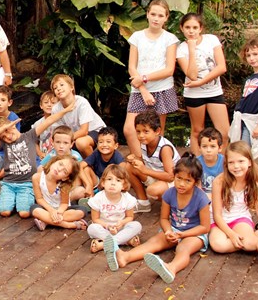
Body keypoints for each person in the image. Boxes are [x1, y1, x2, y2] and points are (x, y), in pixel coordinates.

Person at [104, 154, 210, 284]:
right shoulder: (169, 194)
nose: (182, 184)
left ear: (196, 182)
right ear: (174, 176)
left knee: (183, 249)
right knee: (153, 242)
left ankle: (171, 268)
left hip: (194, 234)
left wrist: (183, 234)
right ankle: (125, 257)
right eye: (179, 178)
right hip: (174, 230)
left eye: (188, 181)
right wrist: (168, 231)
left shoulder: (201, 198)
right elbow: (164, 218)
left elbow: (205, 227)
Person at [0, 100, 75, 218]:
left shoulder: (29, 136)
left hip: (27, 183)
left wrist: (65, 110)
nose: (7, 136)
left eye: (7, 131)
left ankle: (19, 201)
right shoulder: (4, 144)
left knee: (24, 213)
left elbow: (49, 121)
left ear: (13, 126)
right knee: (4, 212)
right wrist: (5, 128)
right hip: (9, 183)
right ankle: (11, 200)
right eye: (3, 136)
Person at [123, 0, 179, 156]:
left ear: (166, 18)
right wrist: (143, 89)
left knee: (156, 132)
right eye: (153, 14)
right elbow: (132, 67)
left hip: (162, 89)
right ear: (147, 14)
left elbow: (169, 69)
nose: (156, 18)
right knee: (129, 129)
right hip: (139, 90)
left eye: (160, 15)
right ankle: (140, 162)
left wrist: (144, 78)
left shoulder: (170, 39)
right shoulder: (137, 37)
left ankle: (155, 163)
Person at [176, 13, 229, 154]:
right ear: (182, 28)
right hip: (194, 95)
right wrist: (191, 49)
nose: (191, 31)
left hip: (214, 92)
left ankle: (221, 163)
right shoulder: (181, 49)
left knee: (224, 133)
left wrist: (201, 82)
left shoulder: (211, 40)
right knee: (197, 131)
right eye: (187, 27)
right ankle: (197, 164)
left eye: (195, 27)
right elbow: (192, 75)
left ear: (201, 28)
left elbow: (221, 67)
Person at [209, 141, 258, 254]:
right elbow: (217, 215)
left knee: (251, 245)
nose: (236, 166)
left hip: (240, 218)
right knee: (218, 245)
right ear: (226, 164)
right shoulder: (219, 182)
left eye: (241, 161)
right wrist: (231, 234)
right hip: (219, 221)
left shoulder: (254, 186)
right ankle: (244, 241)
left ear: (250, 162)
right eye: (231, 162)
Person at [124, 110, 180, 213]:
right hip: (156, 175)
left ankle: (174, 205)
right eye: (138, 131)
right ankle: (143, 203)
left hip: (173, 182)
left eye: (146, 131)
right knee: (128, 167)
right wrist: (134, 160)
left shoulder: (164, 148)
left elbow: (170, 176)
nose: (141, 135)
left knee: (152, 190)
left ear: (157, 131)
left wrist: (145, 171)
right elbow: (147, 161)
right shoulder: (145, 142)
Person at [229, 38, 258, 160]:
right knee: (239, 151)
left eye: (255, 54)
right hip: (241, 118)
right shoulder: (249, 78)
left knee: (245, 153)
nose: (252, 58)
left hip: (253, 120)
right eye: (248, 55)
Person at [87, 164, 142, 253]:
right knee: (92, 228)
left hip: (121, 228)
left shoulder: (127, 198)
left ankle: (105, 244)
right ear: (103, 183)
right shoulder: (98, 198)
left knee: (136, 225)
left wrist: (122, 223)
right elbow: (95, 219)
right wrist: (107, 226)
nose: (113, 183)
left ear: (124, 185)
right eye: (109, 179)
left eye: (118, 180)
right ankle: (125, 241)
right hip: (104, 228)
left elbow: (130, 217)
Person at [49, 74, 106, 157]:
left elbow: (84, 131)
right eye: (55, 88)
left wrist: (65, 139)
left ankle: (92, 164)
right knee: (60, 148)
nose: (59, 88)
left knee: (81, 143)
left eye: (62, 85)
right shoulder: (55, 109)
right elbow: (58, 131)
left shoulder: (81, 102)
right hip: (73, 136)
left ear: (72, 87)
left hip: (96, 131)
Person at [31, 155, 87, 231]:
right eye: (60, 164)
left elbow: (64, 203)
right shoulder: (37, 177)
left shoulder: (64, 185)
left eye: (64, 171)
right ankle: (69, 225)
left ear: (65, 178)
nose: (59, 169)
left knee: (81, 211)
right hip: (46, 208)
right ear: (54, 161)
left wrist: (59, 213)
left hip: (61, 210)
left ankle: (46, 221)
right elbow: (39, 199)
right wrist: (51, 211)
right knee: (35, 210)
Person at [38, 126, 86, 201]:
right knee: (40, 169)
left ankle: (63, 200)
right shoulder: (52, 155)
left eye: (65, 143)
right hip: (54, 184)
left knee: (81, 191)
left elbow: (79, 176)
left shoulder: (75, 156)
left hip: (69, 187)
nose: (61, 146)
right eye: (58, 142)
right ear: (52, 142)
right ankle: (46, 196)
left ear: (71, 144)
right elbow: (41, 168)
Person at [79, 126, 125, 198]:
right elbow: (80, 166)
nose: (104, 145)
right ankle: (90, 196)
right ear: (97, 144)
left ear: (116, 146)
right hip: (97, 183)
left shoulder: (117, 157)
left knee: (112, 168)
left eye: (108, 142)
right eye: (101, 142)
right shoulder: (96, 153)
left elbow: (122, 173)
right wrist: (88, 184)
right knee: (86, 168)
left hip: (111, 184)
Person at [196, 127, 225, 197]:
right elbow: (197, 186)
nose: (208, 150)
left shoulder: (225, 162)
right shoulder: (196, 163)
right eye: (204, 146)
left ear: (220, 148)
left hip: (221, 194)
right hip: (202, 196)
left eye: (212, 146)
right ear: (199, 148)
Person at [32, 90, 58, 161]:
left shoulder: (61, 121)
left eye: (53, 103)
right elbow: (33, 141)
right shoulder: (38, 123)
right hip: (43, 156)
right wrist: (40, 153)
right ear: (41, 105)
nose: (49, 105)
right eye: (46, 102)